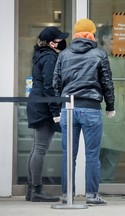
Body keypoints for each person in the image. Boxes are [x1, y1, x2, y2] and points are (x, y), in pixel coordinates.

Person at [53, 18, 115, 205]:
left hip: (68, 109)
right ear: (92, 34)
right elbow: (107, 82)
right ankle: (91, 195)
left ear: (76, 34)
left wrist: (57, 109)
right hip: (91, 108)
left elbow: (55, 83)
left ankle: (67, 195)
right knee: (92, 155)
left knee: (67, 155)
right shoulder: (99, 53)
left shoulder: (63, 54)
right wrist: (110, 106)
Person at [26, 26, 69, 202]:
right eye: (59, 39)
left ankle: (32, 189)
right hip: (43, 106)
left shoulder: (39, 54)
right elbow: (50, 87)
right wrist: (55, 111)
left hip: (36, 103)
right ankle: (36, 190)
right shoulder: (50, 57)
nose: (62, 42)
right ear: (52, 42)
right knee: (41, 149)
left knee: (36, 148)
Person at [96, 25, 125, 183]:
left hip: (119, 107)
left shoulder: (121, 60)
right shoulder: (96, 58)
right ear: (105, 39)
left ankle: (107, 182)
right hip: (100, 104)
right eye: (114, 38)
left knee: (113, 149)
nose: (117, 42)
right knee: (97, 146)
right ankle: (94, 183)